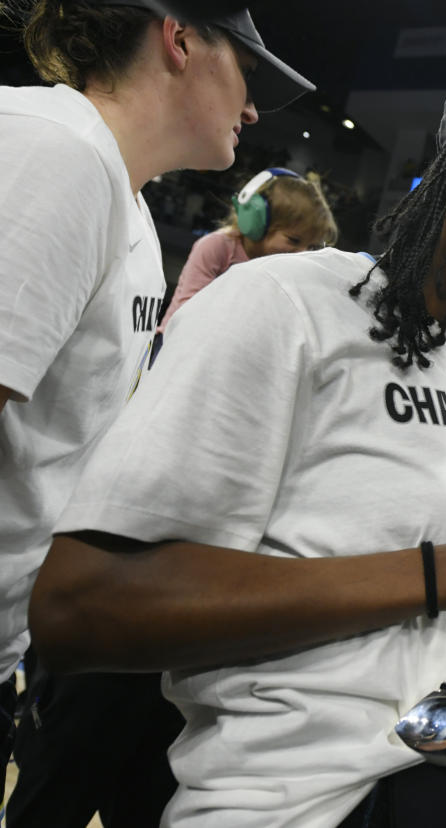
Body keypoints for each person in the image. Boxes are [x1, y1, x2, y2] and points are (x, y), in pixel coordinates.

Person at [29, 46, 446, 828]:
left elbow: (441, 603)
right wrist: (443, 574)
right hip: (304, 805)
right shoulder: (285, 305)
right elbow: (80, 607)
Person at [0, 0, 310, 800]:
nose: (250, 110)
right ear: (178, 40)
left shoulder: (127, 202)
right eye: (247, 76)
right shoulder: (56, 149)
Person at [158, 168, 338, 331]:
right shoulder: (216, 246)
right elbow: (186, 314)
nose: (303, 254)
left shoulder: (286, 271)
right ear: (257, 221)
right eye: (294, 240)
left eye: (311, 247)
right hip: (172, 343)